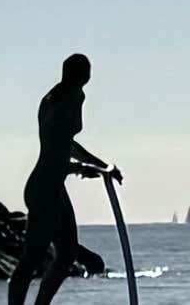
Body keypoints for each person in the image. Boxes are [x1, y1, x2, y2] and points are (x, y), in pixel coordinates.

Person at [10, 54, 116, 305]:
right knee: (32, 258)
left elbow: (68, 144)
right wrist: (82, 168)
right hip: (44, 187)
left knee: (67, 254)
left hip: (56, 186)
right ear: (81, 74)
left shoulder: (75, 96)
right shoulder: (58, 102)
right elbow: (55, 153)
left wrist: (100, 165)